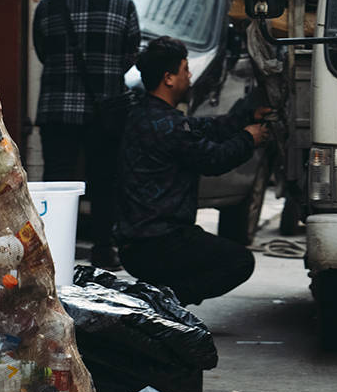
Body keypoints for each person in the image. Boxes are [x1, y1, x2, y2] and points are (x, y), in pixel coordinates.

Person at [116, 35, 272, 304]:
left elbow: (204, 128)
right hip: (161, 243)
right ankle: (167, 302)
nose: (189, 76)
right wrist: (249, 138)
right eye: (185, 69)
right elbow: (215, 160)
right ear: (169, 78)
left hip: (134, 244)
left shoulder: (142, 115)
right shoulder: (171, 126)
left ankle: (161, 296)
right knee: (240, 262)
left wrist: (246, 118)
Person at [31, 0, 140, 269]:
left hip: (58, 110)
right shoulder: (123, 4)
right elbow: (129, 55)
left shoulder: (48, 8)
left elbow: (43, 52)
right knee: (104, 180)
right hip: (105, 110)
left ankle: (54, 251)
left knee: (59, 180)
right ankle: (103, 249)